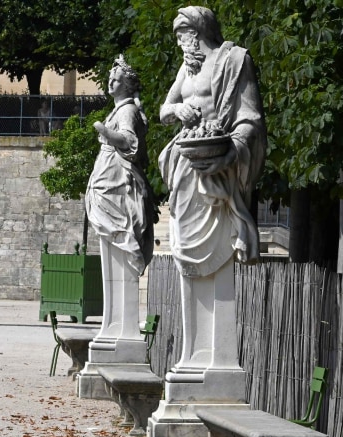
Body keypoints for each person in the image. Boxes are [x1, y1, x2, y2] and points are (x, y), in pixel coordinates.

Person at [157, 6, 266, 375]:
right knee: (184, 256)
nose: (178, 43)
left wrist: (231, 151)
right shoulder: (187, 68)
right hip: (187, 167)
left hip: (218, 168)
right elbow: (163, 109)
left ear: (196, 31)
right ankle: (193, 357)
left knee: (216, 256)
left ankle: (214, 362)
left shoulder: (235, 62)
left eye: (180, 35)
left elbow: (250, 118)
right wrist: (180, 110)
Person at [85, 55, 155, 340]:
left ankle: (119, 330)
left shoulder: (126, 112)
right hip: (109, 180)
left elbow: (130, 143)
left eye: (117, 78)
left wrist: (104, 131)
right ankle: (114, 328)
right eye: (110, 77)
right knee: (111, 239)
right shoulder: (121, 109)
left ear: (127, 85)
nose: (110, 81)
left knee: (118, 237)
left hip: (116, 183)